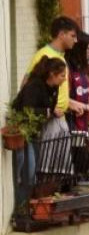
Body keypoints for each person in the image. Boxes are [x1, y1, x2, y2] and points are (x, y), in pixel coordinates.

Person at [9, 57, 66, 214]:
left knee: (31, 173)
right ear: (52, 74)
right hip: (23, 131)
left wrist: (51, 112)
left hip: (36, 132)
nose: (64, 79)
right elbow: (27, 109)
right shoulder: (34, 86)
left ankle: (24, 206)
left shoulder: (54, 88)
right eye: (62, 75)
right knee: (26, 170)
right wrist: (48, 112)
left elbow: (50, 107)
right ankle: (19, 209)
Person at [31, 16, 79, 120]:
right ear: (62, 35)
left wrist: (70, 104)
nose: (75, 40)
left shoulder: (61, 56)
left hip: (60, 117)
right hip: (48, 119)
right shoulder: (44, 55)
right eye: (72, 36)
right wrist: (48, 111)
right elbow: (28, 86)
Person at [65, 31, 89, 132]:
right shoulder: (67, 68)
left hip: (82, 123)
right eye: (88, 49)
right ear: (80, 49)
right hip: (70, 121)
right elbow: (64, 98)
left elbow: (83, 91)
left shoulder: (82, 68)